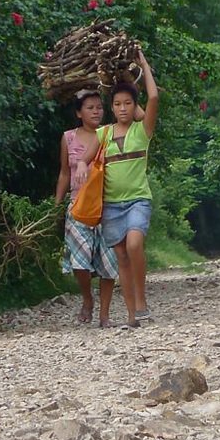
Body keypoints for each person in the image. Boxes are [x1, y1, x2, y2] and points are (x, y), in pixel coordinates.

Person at [87, 50, 158, 328]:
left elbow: (153, 98)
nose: (123, 108)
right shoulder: (102, 134)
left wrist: (144, 64)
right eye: (117, 104)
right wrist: (82, 169)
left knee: (135, 244)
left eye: (128, 103)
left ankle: (141, 300)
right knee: (122, 259)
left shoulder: (143, 131)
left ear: (134, 106)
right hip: (110, 205)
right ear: (112, 107)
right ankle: (132, 315)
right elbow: (85, 160)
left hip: (138, 200)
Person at [53, 89, 119, 327]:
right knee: (79, 261)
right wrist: (57, 204)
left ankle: (105, 315)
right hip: (78, 206)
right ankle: (87, 299)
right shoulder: (68, 138)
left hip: (108, 205)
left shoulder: (111, 133)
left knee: (109, 262)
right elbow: (64, 172)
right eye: (90, 108)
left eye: (99, 107)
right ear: (79, 113)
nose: (96, 111)